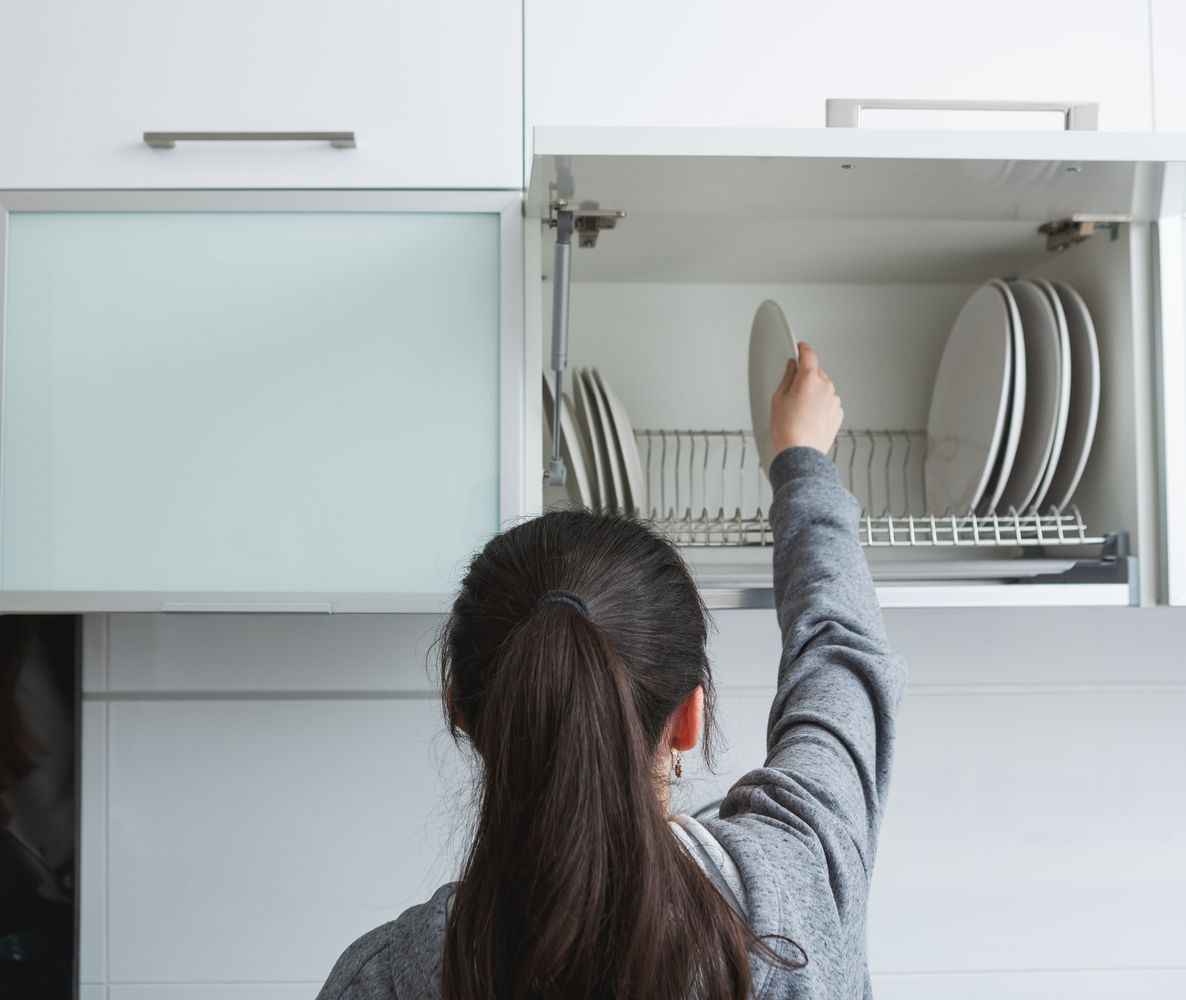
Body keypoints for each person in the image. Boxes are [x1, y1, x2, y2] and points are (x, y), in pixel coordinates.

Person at [318, 345, 907, 999]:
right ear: (689, 717)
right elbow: (840, 657)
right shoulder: (798, 885)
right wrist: (803, 461)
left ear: (462, 713)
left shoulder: (381, 981)